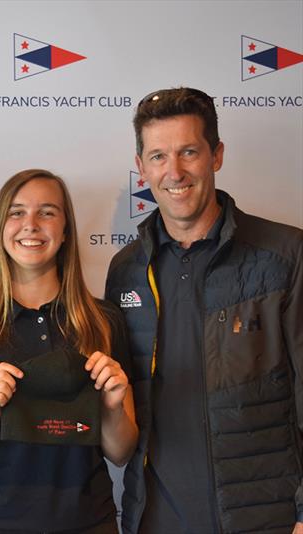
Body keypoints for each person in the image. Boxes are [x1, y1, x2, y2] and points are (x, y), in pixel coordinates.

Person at [105, 87, 303, 533]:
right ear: (141, 167)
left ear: (216, 155)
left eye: (188, 152)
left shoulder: (285, 255)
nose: (173, 172)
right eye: (157, 156)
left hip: (263, 519)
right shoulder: (126, 270)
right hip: (154, 519)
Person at [0, 169, 138, 533]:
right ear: (0, 228)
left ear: (65, 232)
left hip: (89, 523)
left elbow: (121, 452)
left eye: (47, 212)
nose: (31, 224)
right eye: (16, 212)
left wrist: (111, 408)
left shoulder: (103, 321)